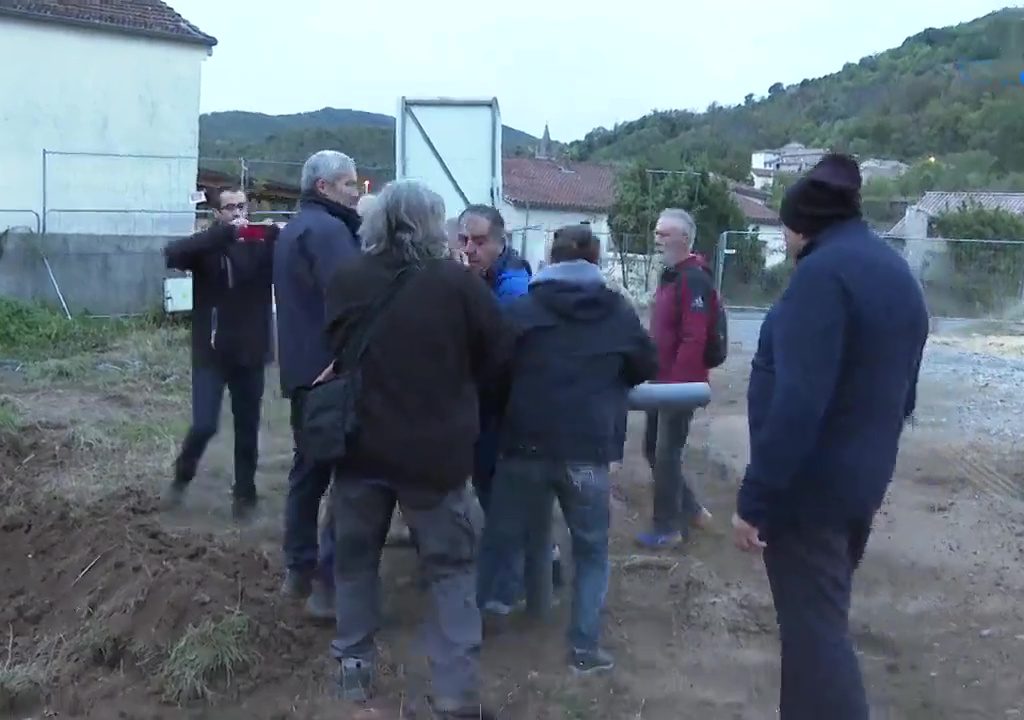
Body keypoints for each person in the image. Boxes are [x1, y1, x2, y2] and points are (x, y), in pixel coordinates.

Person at [732, 154, 928, 720]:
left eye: (785, 227)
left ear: (802, 225)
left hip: (808, 493)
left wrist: (756, 499)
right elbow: (905, 394)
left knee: (816, 637)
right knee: (816, 624)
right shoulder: (894, 274)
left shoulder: (820, 277)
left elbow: (798, 403)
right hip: (862, 482)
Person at [321, 180, 508, 719]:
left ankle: (353, 665)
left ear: (376, 223)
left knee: (355, 559)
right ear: (433, 226)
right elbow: (500, 357)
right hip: (435, 455)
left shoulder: (348, 278)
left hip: (358, 448)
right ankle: (454, 695)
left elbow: (334, 348)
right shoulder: (458, 283)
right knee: (451, 569)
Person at [480, 225, 657, 674]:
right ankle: (583, 650)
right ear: (595, 261)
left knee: (502, 538)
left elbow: (493, 376)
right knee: (592, 550)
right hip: (588, 447)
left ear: (549, 259)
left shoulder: (523, 309)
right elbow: (646, 364)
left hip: (523, 442)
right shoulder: (617, 311)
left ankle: (482, 625)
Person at [273, 150, 362, 615]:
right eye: (349, 183)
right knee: (344, 475)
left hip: (302, 368)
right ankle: (325, 577)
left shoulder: (296, 228)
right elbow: (352, 300)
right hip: (331, 373)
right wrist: (349, 358)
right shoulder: (330, 232)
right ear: (324, 187)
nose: (357, 191)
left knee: (306, 472)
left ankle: (299, 567)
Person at [163, 187, 276, 522]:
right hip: (211, 353)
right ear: (218, 213)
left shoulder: (262, 245)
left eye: (242, 206)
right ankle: (183, 474)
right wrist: (225, 233)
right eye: (230, 208)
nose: (238, 213)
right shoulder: (207, 247)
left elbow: (291, 248)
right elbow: (172, 254)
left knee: (247, 427)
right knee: (204, 425)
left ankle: (245, 497)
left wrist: (271, 232)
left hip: (251, 350)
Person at [635, 208, 717, 550]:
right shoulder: (671, 276)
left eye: (664, 234)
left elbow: (694, 338)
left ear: (684, 239)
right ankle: (694, 511)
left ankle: (667, 527)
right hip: (662, 382)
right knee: (653, 449)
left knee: (666, 453)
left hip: (678, 387)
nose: (657, 240)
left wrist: (677, 388)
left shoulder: (693, 278)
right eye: (656, 233)